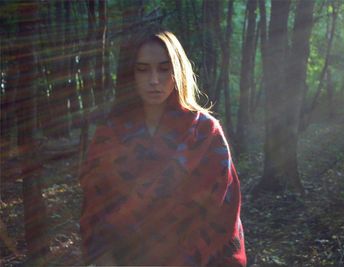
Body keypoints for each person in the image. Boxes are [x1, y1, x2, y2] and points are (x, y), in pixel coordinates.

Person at [79, 24, 247, 266]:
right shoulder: (110, 135)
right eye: (143, 70)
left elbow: (223, 215)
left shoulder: (205, 133)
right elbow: (94, 212)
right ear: (131, 74)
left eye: (164, 69)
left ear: (178, 71)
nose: (154, 80)